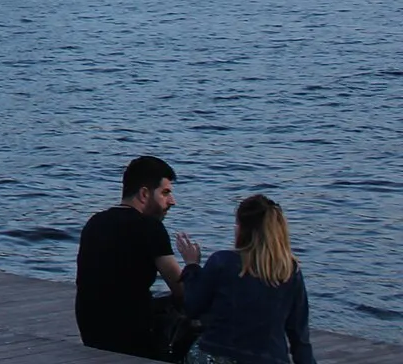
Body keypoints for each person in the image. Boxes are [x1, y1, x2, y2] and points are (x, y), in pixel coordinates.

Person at [76, 155, 200, 358]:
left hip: (92, 333)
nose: (172, 201)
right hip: (132, 339)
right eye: (165, 193)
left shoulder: (95, 222)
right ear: (144, 194)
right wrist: (192, 265)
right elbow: (183, 292)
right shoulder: (150, 227)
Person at [182, 194, 315, 364]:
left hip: (218, 356)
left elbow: (192, 307)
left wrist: (192, 267)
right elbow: (300, 339)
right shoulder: (290, 271)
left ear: (243, 229)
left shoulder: (222, 262)